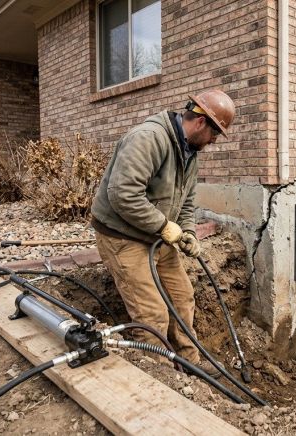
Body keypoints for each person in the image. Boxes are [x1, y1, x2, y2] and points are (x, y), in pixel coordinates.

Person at [90, 89, 236, 377]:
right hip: (122, 236)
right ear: (200, 123)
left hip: (155, 235)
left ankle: (189, 362)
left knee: (182, 296)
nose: (214, 141)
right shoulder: (149, 138)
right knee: (152, 313)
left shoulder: (189, 152)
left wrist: (189, 232)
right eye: (215, 134)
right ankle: (161, 377)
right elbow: (123, 195)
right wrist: (164, 226)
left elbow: (187, 200)